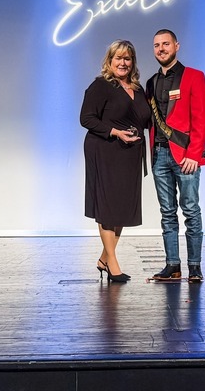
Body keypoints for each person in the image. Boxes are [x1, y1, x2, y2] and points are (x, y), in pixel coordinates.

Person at [80, 40, 152, 284]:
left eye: (127, 59)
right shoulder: (101, 86)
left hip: (130, 154)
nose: (123, 63)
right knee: (108, 208)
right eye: (118, 58)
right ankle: (113, 265)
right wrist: (115, 132)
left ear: (133, 63)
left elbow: (146, 120)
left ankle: (104, 259)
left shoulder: (139, 89)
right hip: (106, 150)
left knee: (120, 209)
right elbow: (86, 119)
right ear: (109, 61)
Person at [146, 29, 205, 283]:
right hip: (159, 154)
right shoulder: (150, 83)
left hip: (185, 156)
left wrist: (194, 153)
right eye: (156, 45)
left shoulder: (194, 76)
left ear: (176, 46)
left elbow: (201, 118)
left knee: (191, 210)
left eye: (165, 44)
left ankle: (195, 267)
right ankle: (173, 265)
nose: (161, 48)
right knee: (167, 212)